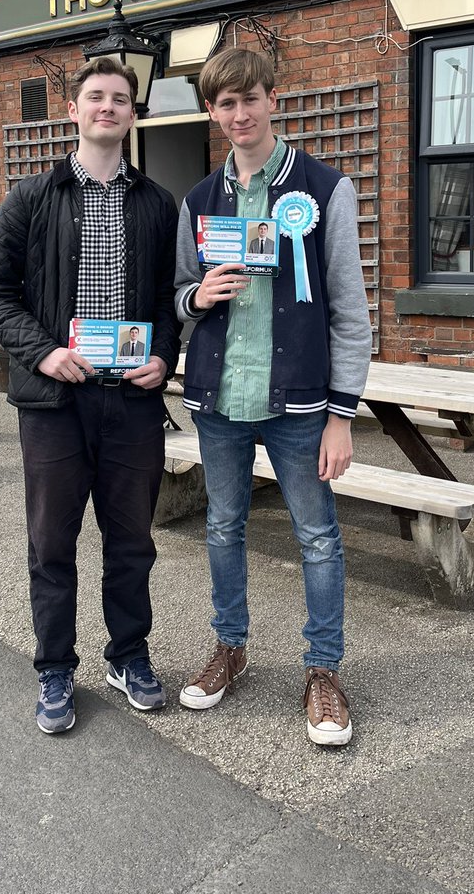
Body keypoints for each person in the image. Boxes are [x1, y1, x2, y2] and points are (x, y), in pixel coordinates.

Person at [0, 56, 180, 735]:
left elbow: (166, 304)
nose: (108, 107)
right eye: (96, 97)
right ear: (74, 110)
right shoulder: (31, 198)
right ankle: (55, 668)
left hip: (131, 403)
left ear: (132, 113)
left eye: (120, 99)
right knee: (52, 543)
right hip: (55, 404)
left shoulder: (156, 203)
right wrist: (44, 353)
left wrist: (163, 357)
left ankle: (128, 654)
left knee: (131, 542)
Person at [174, 48, 371, 747]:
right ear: (211, 111)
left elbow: (350, 310)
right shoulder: (199, 201)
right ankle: (231, 647)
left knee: (317, 537)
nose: (238, 114)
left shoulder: (323, 190)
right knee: (223, 528)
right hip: (219, 400)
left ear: (271, 99)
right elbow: (177, 300)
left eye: (248, 98)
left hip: (300, 406)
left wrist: (344, 415)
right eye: (224, 104)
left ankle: (324, 672)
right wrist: (198, 295)